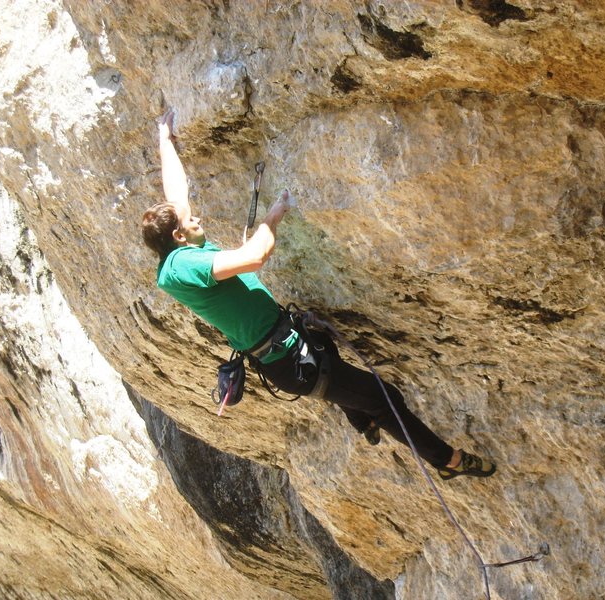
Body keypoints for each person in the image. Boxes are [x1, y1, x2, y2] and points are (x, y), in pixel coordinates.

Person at [141, 109, 496, 480]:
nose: (196, 218)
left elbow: (177, 197)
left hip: (287, 344)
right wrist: (274, 215)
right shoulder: (185, 266)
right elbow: (255, 257)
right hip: (290, 362)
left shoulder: (176, 251)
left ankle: (361, 420)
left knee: (327, 344)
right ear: (179, 237)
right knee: (383, 396)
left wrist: (165, 137)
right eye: (190, 222)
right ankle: (448, 461)